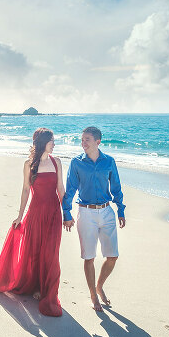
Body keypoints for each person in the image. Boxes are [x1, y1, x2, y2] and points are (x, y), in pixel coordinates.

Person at [0, 128, 73, 317]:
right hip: (35, 213)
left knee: (51, 254)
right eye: (52, 141)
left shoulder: (57, 162)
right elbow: (26, 190)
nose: (54, 144)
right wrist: (20, 216)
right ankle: (35, 287)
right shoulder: (29, 164)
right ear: (43, 142)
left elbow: (61, 189)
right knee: (34, 251)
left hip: (53, 214)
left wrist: (67, 214)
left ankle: (48, 292)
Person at [62, 126, 126, 312]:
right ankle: (93, 295)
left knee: (112, 256)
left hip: (107, 212)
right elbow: (70, 189)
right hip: (86, 213)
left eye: (87, 139)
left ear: (98, 142)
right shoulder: (76, 163)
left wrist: (120, 210)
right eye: (82, 139)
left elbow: (116, 187)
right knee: (89, 257)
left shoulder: (109, 161)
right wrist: (67, 213)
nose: (83, 143)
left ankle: (99, 286)